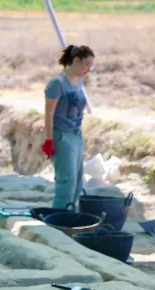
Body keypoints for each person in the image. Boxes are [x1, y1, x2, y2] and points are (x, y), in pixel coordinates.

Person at [43, 45, 94, 210]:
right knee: (67, 181)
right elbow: (49, 113)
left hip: (76, 135)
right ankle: (58, 219)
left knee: (78, 181)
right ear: (76, 61)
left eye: (91, 65)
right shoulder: (57, 83)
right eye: (86, 64)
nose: (89, 69)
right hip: (61, 136)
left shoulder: (79, 81)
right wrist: (49, 140)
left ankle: (69, 216)